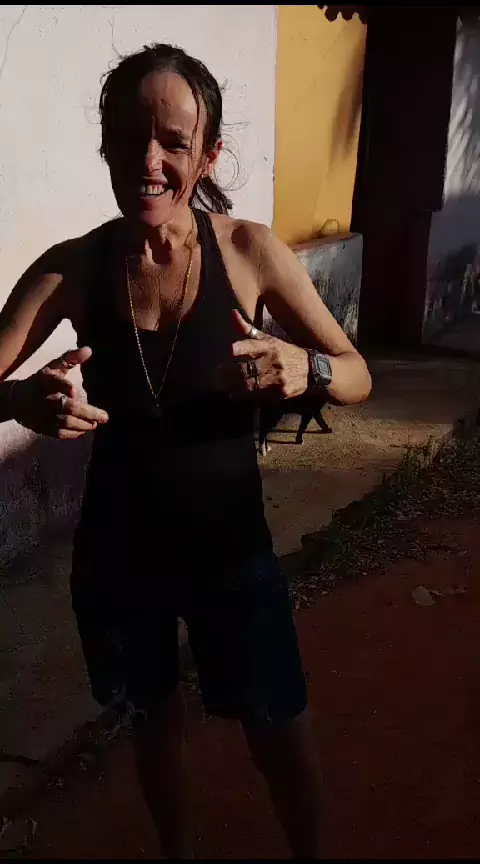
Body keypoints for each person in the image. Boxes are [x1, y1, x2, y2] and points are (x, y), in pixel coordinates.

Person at [0, 44, 371, 858]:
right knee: (154, 730)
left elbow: (356, 373)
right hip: (117, 561)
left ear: (207, 156)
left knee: (277, 730)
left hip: (233, 557)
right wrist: (19, 400)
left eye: (173, 142)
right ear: (105, 143)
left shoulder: (250, 253)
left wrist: (305, 369)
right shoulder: (74, 269)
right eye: (130, 137)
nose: (149, 161)